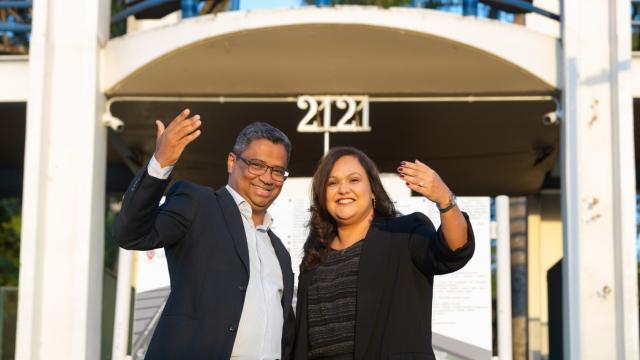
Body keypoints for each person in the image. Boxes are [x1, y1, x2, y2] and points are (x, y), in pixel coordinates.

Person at [112, 109, 295, 359]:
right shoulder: (198, 204)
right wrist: (160, 163)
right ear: (232, 162)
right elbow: (130, 234)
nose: (267, 178)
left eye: (277, 171)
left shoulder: (279, 253)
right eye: (257, 165)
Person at [293, 146, 475, 359]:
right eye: (332, 183)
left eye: (353, 180)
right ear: (322, 195)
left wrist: (445, 200)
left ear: (372, 190)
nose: (343, 189)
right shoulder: (314, 259)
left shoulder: (404, 234)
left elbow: (454, 250)